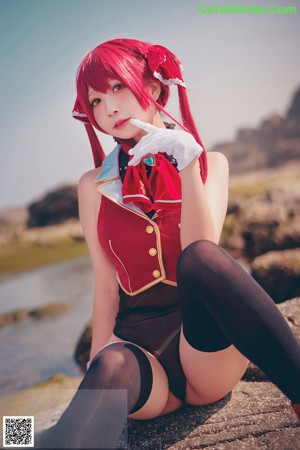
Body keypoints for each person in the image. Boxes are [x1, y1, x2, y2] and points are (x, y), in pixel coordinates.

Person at [39, 38, 300, 449]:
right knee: (104, 369)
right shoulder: (93, 186)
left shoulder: (212, 163)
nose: (108, 107)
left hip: (205, 349)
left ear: (156, 88)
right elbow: (106, 286)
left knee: (201, 258)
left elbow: (203, 254)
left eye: (118, 87)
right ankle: (20, 434)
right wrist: (93, 373)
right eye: (95, 100)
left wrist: (189, 163)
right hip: (142, 360)